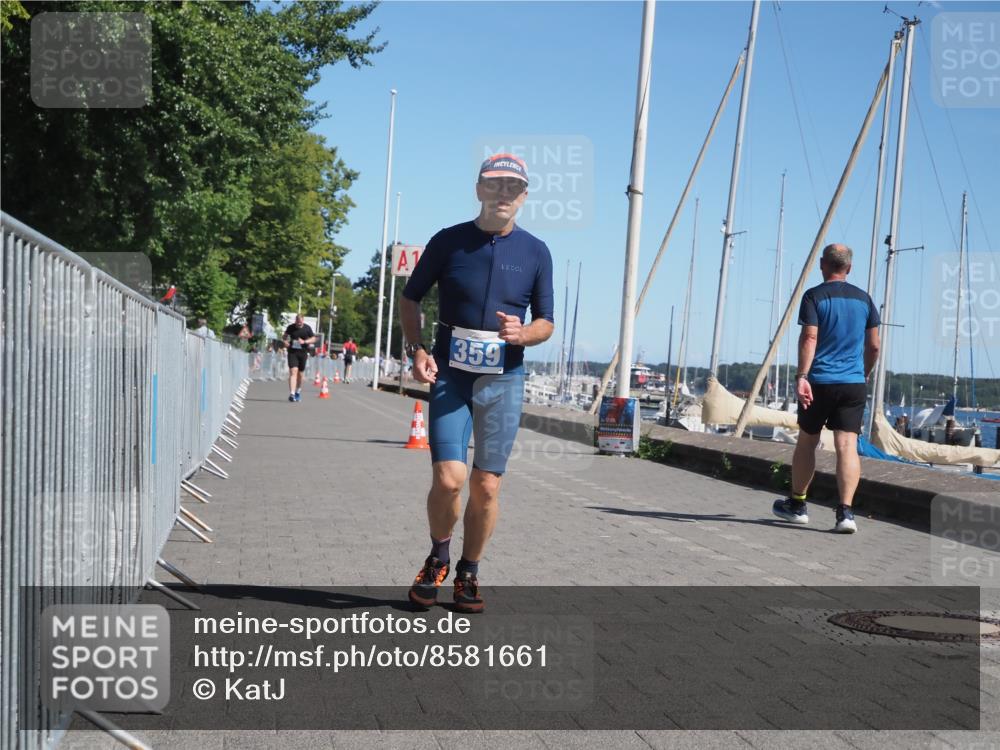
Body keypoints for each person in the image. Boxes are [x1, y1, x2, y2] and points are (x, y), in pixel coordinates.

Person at [399, 153, 554, 613]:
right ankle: (438, 555)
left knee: (486, 486)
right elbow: (411, 299)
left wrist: (524, 333)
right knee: (449, 479)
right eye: (495, 185)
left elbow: (546, 322)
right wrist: (418, 350)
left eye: (513, 187)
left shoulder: (535, 252)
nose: (503, 194)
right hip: (452, 376)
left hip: (504, 380)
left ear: (524, 197)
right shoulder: (448, 242)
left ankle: (469, 570)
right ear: (479, 190)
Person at [772, 244, 881, 534]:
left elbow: (809, 338)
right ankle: (845, 513)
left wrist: (802, 376)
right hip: (853, 383)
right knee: (847, 446)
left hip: (820, 380)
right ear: (849, 268)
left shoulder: (814, 296)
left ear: (823, 264)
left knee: (808, 441)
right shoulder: (865, 300)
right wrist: (863, 374)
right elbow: (874, 346)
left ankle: (798, 505)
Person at [283, 314, 316, 402]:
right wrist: (285, 342)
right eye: (297, 322)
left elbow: (313, 339)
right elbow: (284, 336)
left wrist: (304, 341)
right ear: (295, 321)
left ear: (303, 321)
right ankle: (292, 394)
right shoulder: (291, 327)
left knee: (300, 375)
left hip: (303, 353)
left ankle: (298, 391)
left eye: (300, 322)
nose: (299, 324)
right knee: (293, 371)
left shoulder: (307, 328)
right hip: (292, 352)